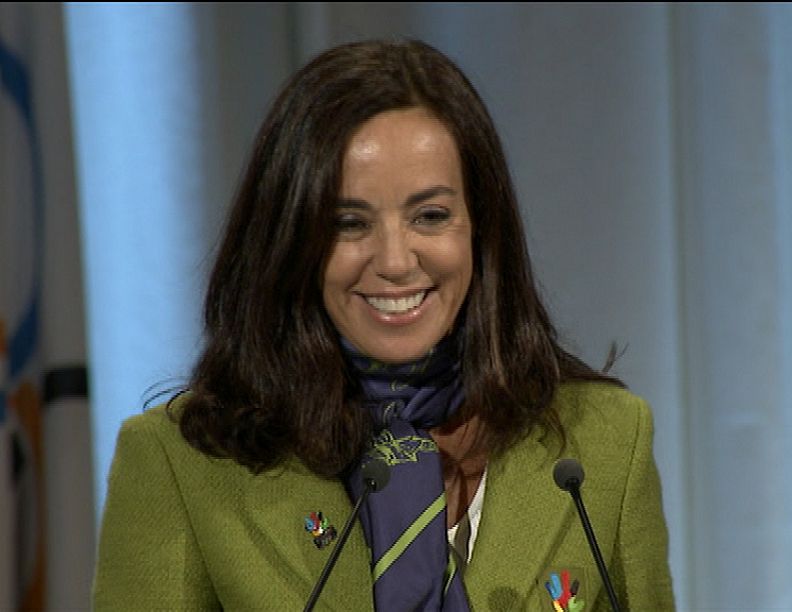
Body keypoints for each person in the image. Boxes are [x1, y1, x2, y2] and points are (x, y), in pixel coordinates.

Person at [93, 39, 674, 611]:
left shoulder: (604, 442)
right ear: (289, 239)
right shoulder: (178, 464)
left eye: (430, 215)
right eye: (348, 222)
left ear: (481, 226)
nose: (395, 261)